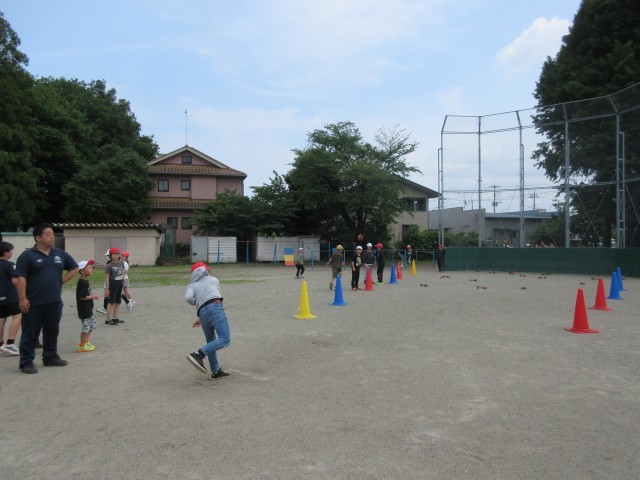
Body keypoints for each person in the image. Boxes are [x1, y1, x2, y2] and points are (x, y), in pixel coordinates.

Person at [16, 223, 79, 374]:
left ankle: (50, 356)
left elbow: (75, 268)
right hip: (33, 302)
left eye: (53, 234)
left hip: (54, 301)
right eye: (48, 234)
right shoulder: (27, 256)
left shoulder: (60, 254)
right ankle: (26, 361)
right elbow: (21, 278)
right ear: (38, 238)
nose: (52, 237)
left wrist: (61, 281)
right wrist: (23, 298)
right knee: (30, 333)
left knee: (52, 331)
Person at [185, 262, 231, 380]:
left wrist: (198, 304)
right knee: (225, 339)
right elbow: (211, 297)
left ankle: (216, 371)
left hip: (202, 312)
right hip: (215, 307)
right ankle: (199, 354)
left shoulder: (192, 285)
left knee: (211, 341)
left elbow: (188, 298)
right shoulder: (214, 280)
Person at [0, 241, 22, 355]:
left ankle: (1, 344)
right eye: (11, 251)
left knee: (1, 319)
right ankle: (10, 343)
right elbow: (15, 281)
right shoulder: (10, 265)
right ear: (6, 253)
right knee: (17, 317)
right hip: (10, 296)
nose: (12, 253)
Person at [75, 260, 99, 352]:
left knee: (92, 325)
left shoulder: (85, 280)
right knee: (86, 327)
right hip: (84, 309)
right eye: (89, 267)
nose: (91, 269)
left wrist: (92, 296)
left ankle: (86, 342)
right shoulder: (82, 282)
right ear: (82, 271)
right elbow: (82, 297)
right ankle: (82, 345)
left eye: (91, 267)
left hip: (88, 308)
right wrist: (93, 296)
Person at [104, 248, 125, 325]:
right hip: (113, 284)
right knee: (111, 302)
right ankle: (108, 320)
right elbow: (107, 278)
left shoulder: (121, 263)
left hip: (120, 283)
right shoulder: (109, 266)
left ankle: (115, 318)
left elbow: (122, 273)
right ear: (110, 255)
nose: (116, 255)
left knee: (118, 302)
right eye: (114, 254)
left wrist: (124, 283)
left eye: (117, 254)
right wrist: (107, 289)